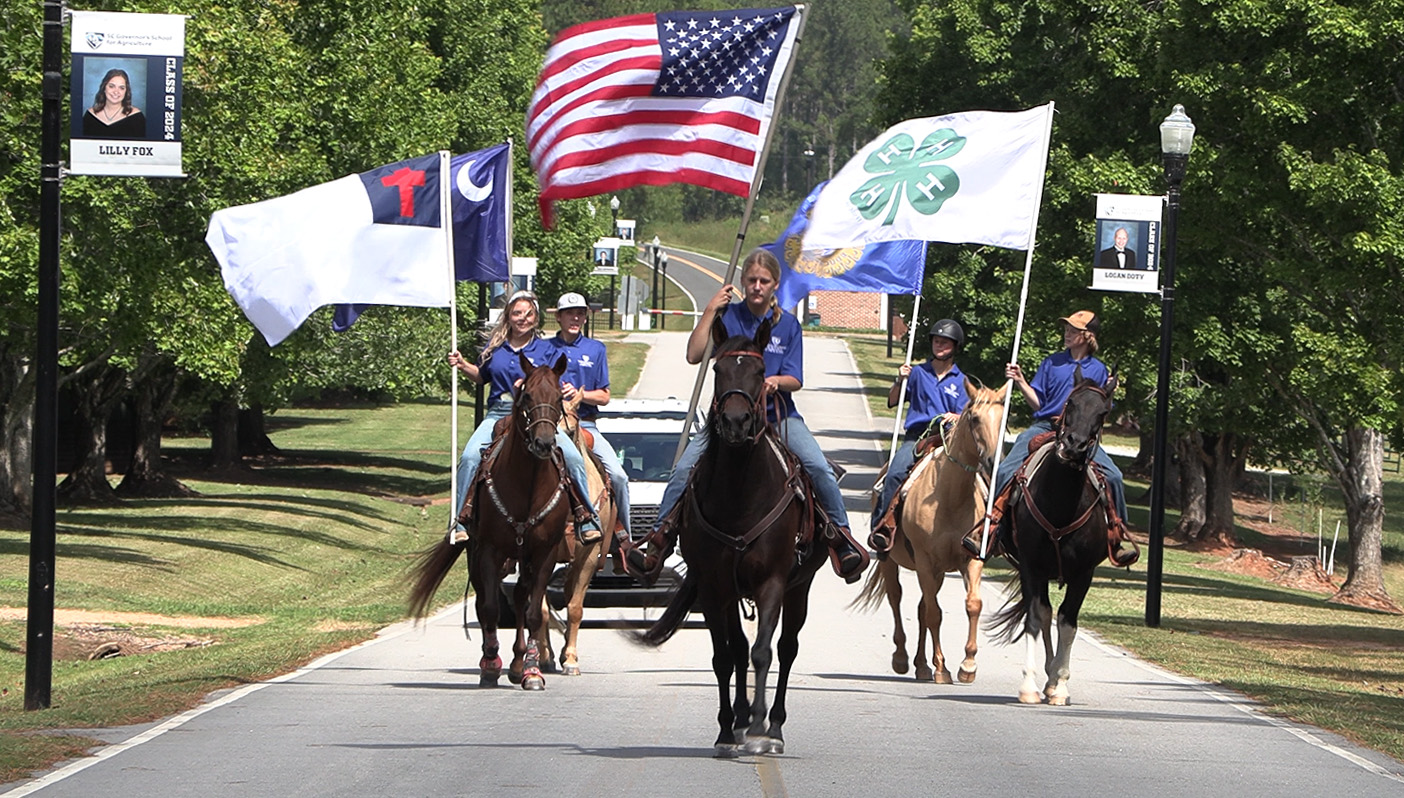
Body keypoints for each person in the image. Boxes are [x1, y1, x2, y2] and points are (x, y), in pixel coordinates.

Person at [625, 248, 870, 583]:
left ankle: (841, 538)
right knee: (683, 468)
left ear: (775, 284)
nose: (757, 286)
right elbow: (694, 355)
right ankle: (658, 541)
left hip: (778, 416)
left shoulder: (787, 326)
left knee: (817, 466)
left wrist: (774, 382)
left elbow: (795, 379)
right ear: (742, 282)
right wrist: (711, 309)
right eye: (751, 280)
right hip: (726, 421)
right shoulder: (727, 318)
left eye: (764, 281)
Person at [970, 310, 1134, 565]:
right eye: (1067, 329)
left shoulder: (1100, 370)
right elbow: (1038, 404)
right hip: (1045, 426)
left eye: (1073, 330)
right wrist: (1021, 381)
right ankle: (992, 530)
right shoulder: (1051, 362)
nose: (1067, 334)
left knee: (1114, 476)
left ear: (1087, 336)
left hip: (1080, 433)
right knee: (1005, 470)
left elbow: (1101, 409)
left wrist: (1110, 391)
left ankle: (1116, 534)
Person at [447, 290, 599, 544]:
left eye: (528, 314)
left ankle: (586, 517)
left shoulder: (547, 349)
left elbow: (553, 381)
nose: (523, 318)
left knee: (572, 457)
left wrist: (531, 384)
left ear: (536, 319)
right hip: (498, 413)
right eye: (517, 313)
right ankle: (462, 519)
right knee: (470, 456)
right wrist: (463, 365)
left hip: (536, 416)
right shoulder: (495, 348)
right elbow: (482, 377)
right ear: (508, 316)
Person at [869, 319, 970, 558]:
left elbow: (964, 414)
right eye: (936, 341)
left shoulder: (961, 380)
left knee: (976, 478)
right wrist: (899, 379)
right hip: (918, 437)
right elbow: (892, 401)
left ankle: (980, 531)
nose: (939, 345)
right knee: (894, 473)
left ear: (955, 346)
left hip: (947, 439)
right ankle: (882, 527)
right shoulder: (917, 373)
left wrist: (956, 417)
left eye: (945, 342)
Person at [550, 291, 631, 540]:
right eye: (569, 314)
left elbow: (604, 397)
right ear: (559, 318)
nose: (575, 318)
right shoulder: (544, 348)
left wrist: (581, 395)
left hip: (585, 424)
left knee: (618, 476)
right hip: (550, 424)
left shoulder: (595, 349)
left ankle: (622, 537)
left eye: (580, 314)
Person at [81, 68, 147, 139]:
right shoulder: (90, 116)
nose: (116, 91)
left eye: (121, 88)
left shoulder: (137, 118)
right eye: (111, 86)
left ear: (126, 91)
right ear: (104, 88)